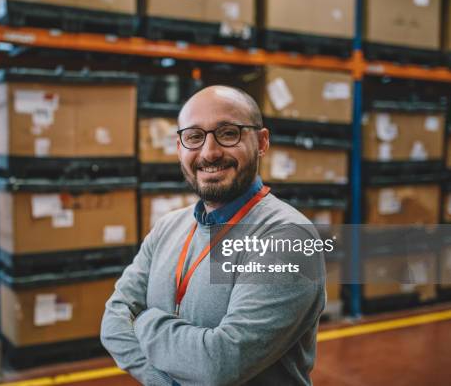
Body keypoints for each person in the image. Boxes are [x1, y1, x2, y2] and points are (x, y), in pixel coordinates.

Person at [100, 85, 326, 385]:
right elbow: (112, 324)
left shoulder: (288, 239)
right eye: (194, 136)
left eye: (228, 133)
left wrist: (142, 320)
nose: (209, 152)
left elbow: (219, 363)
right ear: (179, 147)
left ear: (261, 141)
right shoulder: (168, 227)